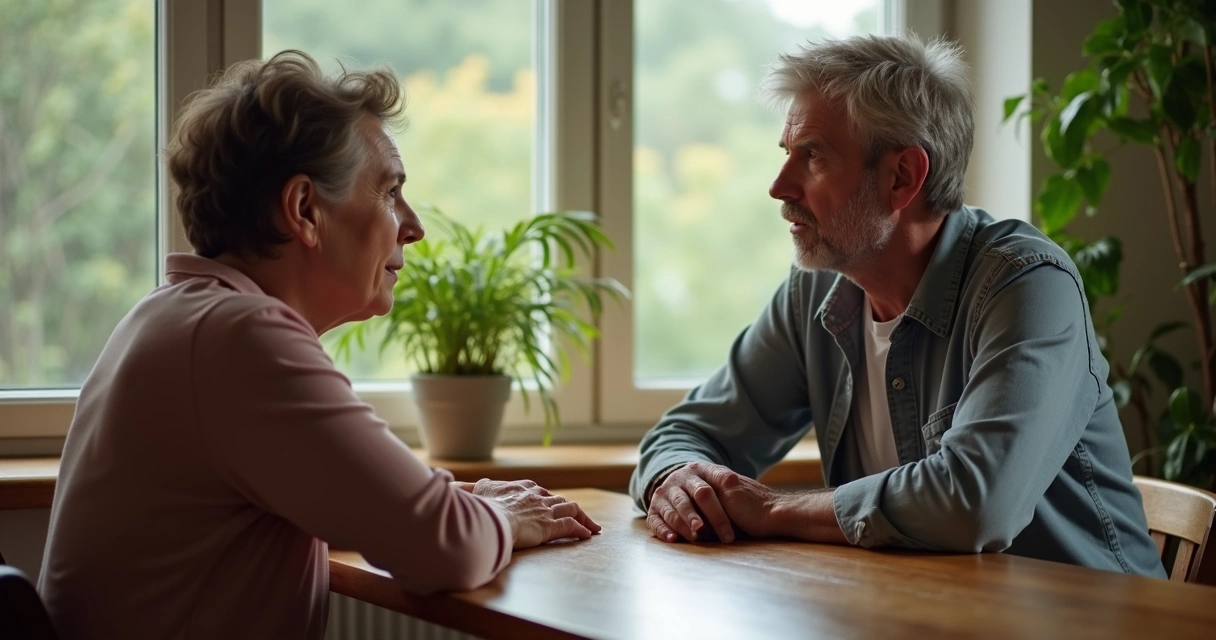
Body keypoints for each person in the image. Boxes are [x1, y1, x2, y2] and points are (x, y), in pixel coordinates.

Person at [38, 50, 600, 640]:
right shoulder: (239, 338)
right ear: (305, 210)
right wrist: (503, 515)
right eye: (389, 192)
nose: (413, 225)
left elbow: (354, 497)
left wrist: (456, 499)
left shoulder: (171, 318)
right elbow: (444, 547)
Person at [629, 34, 1165, 578]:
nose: (778, 186)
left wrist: (773, 509)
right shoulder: (814, 293)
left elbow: (974, 504)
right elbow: (687, 433)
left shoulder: (1026, 286)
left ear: (903, 177)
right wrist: (676, 479)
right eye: (785, 154)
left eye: (812, 156)